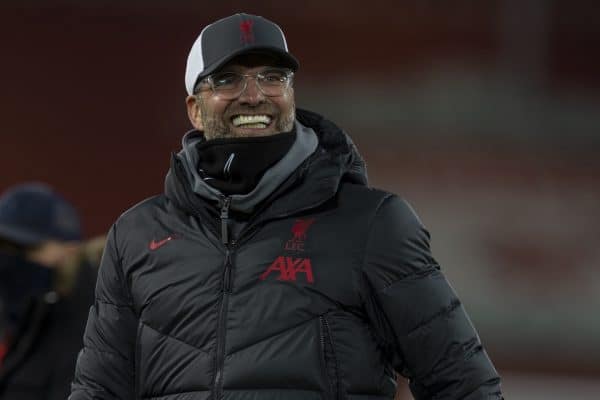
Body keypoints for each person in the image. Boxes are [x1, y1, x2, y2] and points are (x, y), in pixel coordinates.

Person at [70, 13, 503, 400]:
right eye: (228, 80)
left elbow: (464, 384)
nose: (254, 95)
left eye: (272, 77)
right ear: (194, 110)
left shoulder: (372, 224)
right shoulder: (136, 234)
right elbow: (98, 389)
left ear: (291, 94)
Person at [0, 183, 99, 400]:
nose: (8, 260)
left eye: (25, 248)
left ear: (70, 251)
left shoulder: (96, 333)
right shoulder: (27, 317)